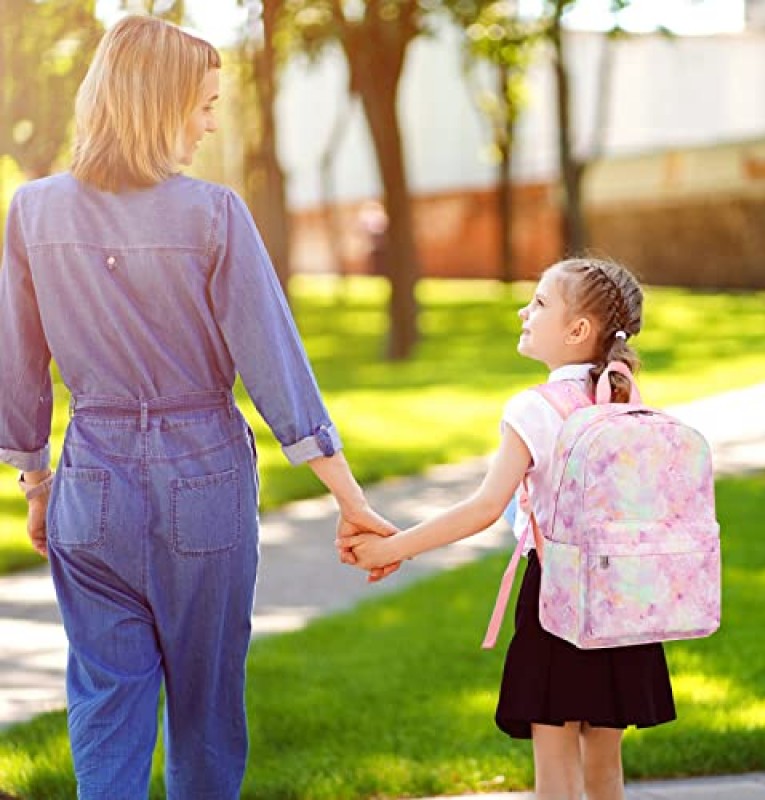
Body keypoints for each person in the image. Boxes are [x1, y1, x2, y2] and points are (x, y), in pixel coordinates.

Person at [0, 15, 395, 800]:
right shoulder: (213, 215)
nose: (212, 121)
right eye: (204, 103)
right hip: (203, 478)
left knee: (107, 701)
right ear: (158, 103)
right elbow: (277, 369)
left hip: (92, 485)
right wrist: (351, 502)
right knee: (207, 708)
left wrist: (38, 486)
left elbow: (16, 370)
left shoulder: (33, 211)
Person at [341, 257, 676, 800]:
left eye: (540, 302)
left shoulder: (535, 408)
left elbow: (483, 508)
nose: (525, 310)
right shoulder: (625, 397)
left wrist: (394, 547)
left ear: (578, 330)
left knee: (556, 773)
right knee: (605, 772)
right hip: (625, 600)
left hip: (558, 602)